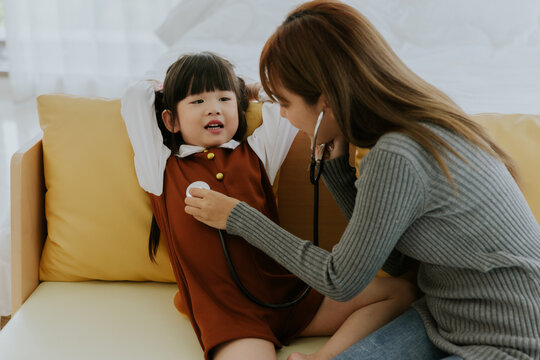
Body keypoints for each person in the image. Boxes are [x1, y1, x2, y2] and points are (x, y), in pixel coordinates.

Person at [183, 2, 540, 360]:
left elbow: (340, 281)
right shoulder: (417, 116)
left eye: (285, 103)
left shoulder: (397, 154)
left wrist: (239, 218)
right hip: (445, 316)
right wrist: (338, 171)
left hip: (504, 342)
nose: (284, 116)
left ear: (326, 103)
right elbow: (397, 261)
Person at [121, 52, 415, 360]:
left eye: (224, 99)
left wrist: (249, 89)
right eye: (197, 102)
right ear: (171, 120)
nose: (213, 109)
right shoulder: (161, 169)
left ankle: (322, 358)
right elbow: (134, 98)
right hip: (231, 316)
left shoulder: (258, 153)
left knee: (402, 292)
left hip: (288, 298)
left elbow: (282, 107)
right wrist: (163, 86)